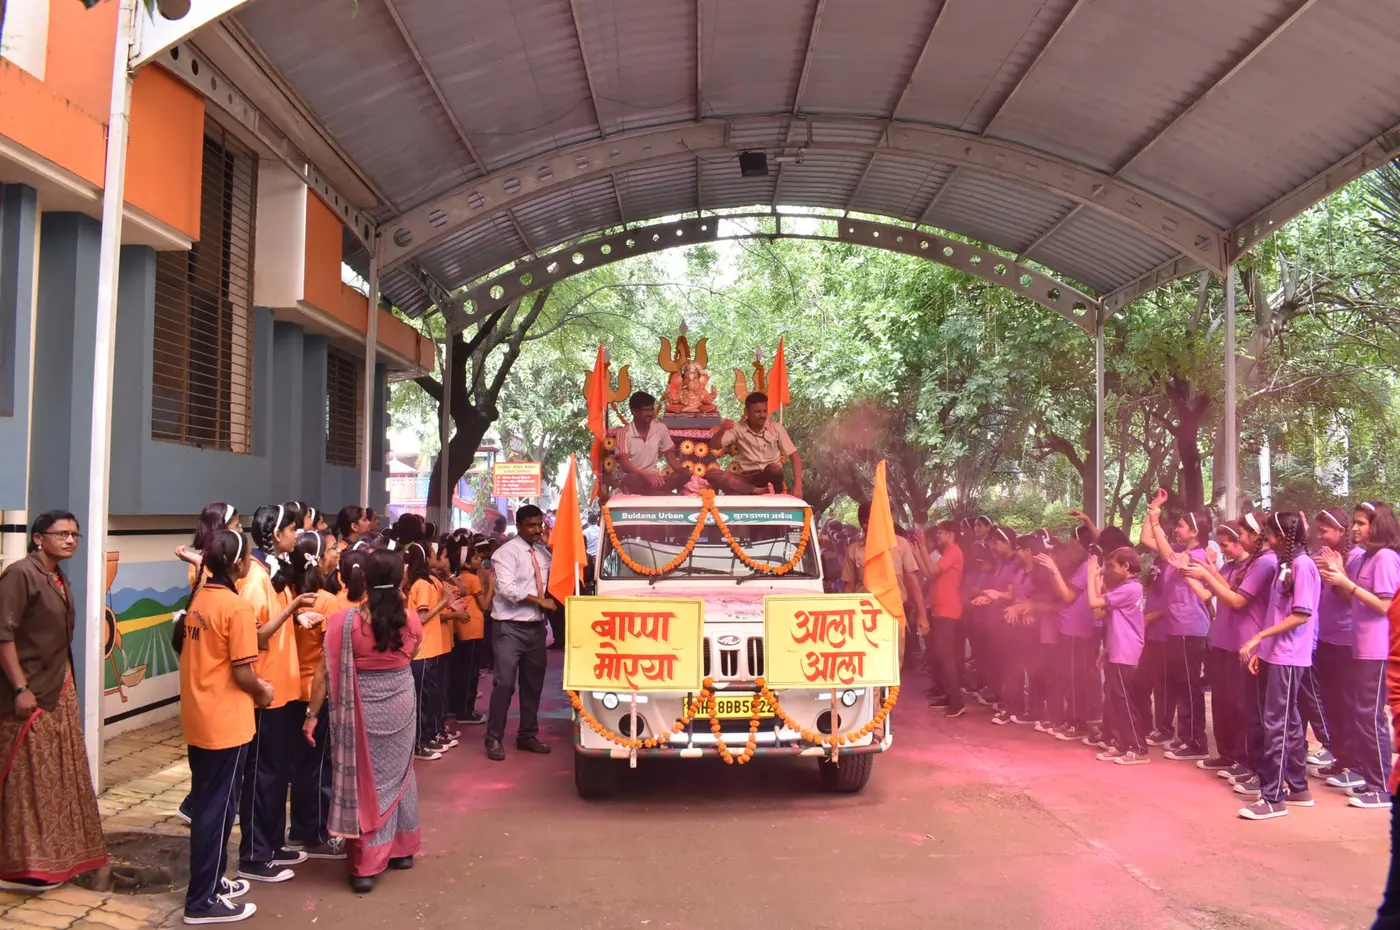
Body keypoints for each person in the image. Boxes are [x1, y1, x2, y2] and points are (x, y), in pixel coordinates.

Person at [0, 511, 107, 891]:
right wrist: (19, 688)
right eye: (61, 534)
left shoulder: (57, 577)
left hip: (58, 687)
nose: (70, 540)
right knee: (27, 779)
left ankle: (55, 855)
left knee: (56, 779)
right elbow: (4, 635)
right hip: (30, 694)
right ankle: (21, 866)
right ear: (37, 538)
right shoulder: (20, 574)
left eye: (75, 534)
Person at [311, 546, 424, 893]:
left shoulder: (345, 622)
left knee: (365, 782)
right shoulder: (411, 619)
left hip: (359, 705)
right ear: (400, 578)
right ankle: (401, 851)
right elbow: (413, 651)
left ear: (363, 578)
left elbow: (324, 674)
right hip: (401, 700)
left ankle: (365, 866)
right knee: (401, 773)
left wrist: (311, 715)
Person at [179, 529, 271, 925]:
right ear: (237, 563)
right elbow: (243, 672)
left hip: (199, 716)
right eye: (248, 554)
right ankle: (202, 900)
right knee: (217, 812)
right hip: (226, 723)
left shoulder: (200, 598)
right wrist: (264, 692)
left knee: (209, 806)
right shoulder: (235, 607)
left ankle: (213, 881)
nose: (251, 560)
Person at [236, 505, 316, 883]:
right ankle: (254, 854)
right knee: (262, 775)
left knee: (277, 772)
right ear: (277, 533)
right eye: (292, 530)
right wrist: (293, 611)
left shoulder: (274, 571)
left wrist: (298, 615)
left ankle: (273, 841)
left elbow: (276, 620)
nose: (297, 536)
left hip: (284, 689)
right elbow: (254, 635)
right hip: (265, 689)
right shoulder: (255, 576)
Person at [1182, 514, 1277, 786]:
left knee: (1243, 705)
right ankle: (1229, 754)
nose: (1224, 549)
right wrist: (1202, 572)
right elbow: (1213, 593)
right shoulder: (1239, 566)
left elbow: (1237, 601)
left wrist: (1208, 574)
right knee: (1223, 702)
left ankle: (1247, 760)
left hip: (1245, 641)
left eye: (1236, 539)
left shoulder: (1263, 563)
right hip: (1223, 639)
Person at [1237, 511, 1319, 820]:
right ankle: (1298, 788)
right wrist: (1264, 649)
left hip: (1290, 655)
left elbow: (1301, 614)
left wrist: (1260, 636)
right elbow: (1277, 611)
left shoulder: (1303, 565)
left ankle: (1272, 797)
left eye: (1272, 534)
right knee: (1290, 722)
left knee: (1277, 724)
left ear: (1285, 536)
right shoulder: (1286, 564)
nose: (1268, 539)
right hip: (1276, 653)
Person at [1319, 501, 1399, 810]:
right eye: (1355, 522)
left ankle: (1381, 785)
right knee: (1360, 715)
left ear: (1378, 526)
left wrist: (1346, 582)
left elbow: (1384, 605)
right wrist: (1337, 575)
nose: (1355, 528)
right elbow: (1348, 597)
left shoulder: (1387, 559)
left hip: (1379, 650)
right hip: (1360, 647)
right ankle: (1370, 777)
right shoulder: (1365, 558)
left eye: (1361, 523)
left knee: (1370, 716)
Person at [1139, 489, 1213, 762]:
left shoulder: (1198, 557)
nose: (1178, 530)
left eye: (1181, 526)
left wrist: (1157, 520)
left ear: (1194, 531)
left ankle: (1196, 741)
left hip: (1190, 628)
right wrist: (1153, 512)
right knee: (1182, 685)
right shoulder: (1181, 552)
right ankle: (1187, 738)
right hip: (1177, 628)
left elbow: (1164, 547)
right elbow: (1148, 539)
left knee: (1189, 686)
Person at [285, 532, 344, 860]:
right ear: (319, 559)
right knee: (320, 765)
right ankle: (316, 833)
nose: (337, 553)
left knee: (299, 765)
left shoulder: (287, 594)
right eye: (332, 549)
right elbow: (328, 658)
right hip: (316, 693)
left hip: (290, 689)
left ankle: (297, 829)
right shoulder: (326, 601)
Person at [485, 505, 555, 761]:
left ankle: (527, 735)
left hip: (536, 628)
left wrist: (552, 548)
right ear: (519, 525)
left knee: (533, 684)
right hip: (509, 628)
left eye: (540, 525)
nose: (537, 530)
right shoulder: (506, 553)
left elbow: (555, 577)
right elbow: (507, 590)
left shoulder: (542, 552)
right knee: (504, 683)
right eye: (531, 526)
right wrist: (540, 602)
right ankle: (493, 737)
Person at [841, 505, 928, 669]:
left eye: (871, 522)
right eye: (863, 522)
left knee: (893, 666)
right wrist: (846, 617)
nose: (867, 526)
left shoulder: (901, 545)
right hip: (863, 616)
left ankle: (888, 695)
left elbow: (913, 581)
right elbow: (849, 585)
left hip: (893, 614)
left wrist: (922, 614)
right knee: (866, 665)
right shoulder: (853, 550)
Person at [1086, 546, 1149, 764]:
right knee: (1114, 700)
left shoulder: (1131, 588)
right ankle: (1121, 743)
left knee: (1124, 701)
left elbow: (1094, 602)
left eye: (1114, 566)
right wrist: (1106, 649)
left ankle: (1137, 748)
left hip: (1126, 650)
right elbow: (1098, 611)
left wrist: (1090, 574)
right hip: (1117, 649)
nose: (1111, 570)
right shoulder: (1124, 588)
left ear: (1126, 566)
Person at [1313, 507, 1361, 788]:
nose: (1320, 536)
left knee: (1347, 705)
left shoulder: (1353, 558)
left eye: (1325, 531)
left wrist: (1338, 571)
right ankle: (1341, 758)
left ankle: (1356, 764)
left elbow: (1350, 597)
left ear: (1341, 532)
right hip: (1326, 638)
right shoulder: (1324, 556)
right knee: (1331, 704)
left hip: (1346, 640)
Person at [1036, 539, 1097, 743]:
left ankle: (1077, 723)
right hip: (1067, 629)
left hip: (1076, 631)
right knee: (1067, 677)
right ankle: (1069, 720)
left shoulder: (1085, 567)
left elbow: (1067, 595)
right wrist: (1053, 570)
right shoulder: (1074, 567)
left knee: (1074, 678)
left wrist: (1053, 569)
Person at [404, 542, 456, 761]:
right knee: (422, 701)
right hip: (423, 651)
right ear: (426, 560)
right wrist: (444, 602)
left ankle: (428, 737)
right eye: (434, 554)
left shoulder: (426, 582)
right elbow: (421, 617)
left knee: (430, 698)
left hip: (431, 650)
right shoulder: (422, 585)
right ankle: (419, 744)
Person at [706, 393, 803, 497]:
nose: (762, 415)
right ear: (747, 411)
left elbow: (794, 455)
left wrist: (798, 486)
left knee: (775, 468)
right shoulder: (738, 428)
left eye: (765, 411)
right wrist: (722, 430)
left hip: (770, 478)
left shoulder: (776, 428)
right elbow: (714, 446)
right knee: (712, 474)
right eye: (757, 412)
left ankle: (766, 490)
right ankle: (757, 491)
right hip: (748, 479)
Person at [447, 535, 493, 726]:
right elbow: (483, 605)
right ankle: (466, 712)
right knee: (470, 673)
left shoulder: (458, 578)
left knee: (461, 670)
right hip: (473, 629)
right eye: (475, 558)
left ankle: (457, 707)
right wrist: (490, 585)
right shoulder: (473, 579)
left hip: (460, 630)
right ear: (466, 562)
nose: (480, 560)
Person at [922, 521, 965, 716]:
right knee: (941, 654)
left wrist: (922, 547)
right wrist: (918, 551)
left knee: (946, 654)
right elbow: (928, 572)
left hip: (949, 608)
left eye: (941, 533)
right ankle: (950, 695)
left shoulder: (954, 551)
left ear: (951, 535)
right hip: (941, 608)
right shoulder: (946, 554)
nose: (938, 536)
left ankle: (957, 701)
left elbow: (931, 571)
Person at [615, 392, 690, 495]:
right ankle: (666, 494)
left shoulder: (660, 428)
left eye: (651, 409)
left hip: (656, 479)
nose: (650, 413)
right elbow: (625, 465)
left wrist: (684, 475)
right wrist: (644, 474)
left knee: (686, 473)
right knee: (631, 479)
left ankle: (660, 492)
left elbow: (670, 456)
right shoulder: (624, 433)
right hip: (635, 477)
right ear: (634, 411)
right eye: (645, 410)